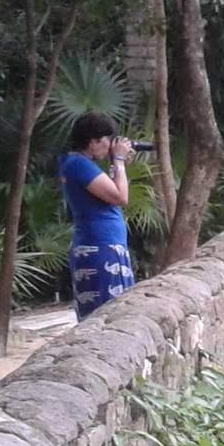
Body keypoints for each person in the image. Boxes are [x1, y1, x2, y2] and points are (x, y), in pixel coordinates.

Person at [59, 113, 137, 320]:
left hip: (102, 245)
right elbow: (120, 196)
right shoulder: (78, 165)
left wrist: (117, 165)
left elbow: (108, 193)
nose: (110, 146)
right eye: (108, 141)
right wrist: (119, 161)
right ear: (93, 141)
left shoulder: (75, 163)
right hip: (100, 248)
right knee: (107, 315)